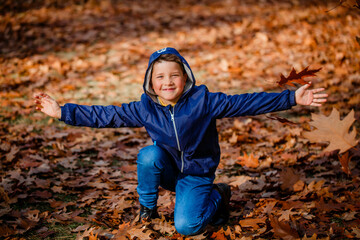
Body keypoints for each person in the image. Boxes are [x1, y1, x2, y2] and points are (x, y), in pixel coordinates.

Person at [34, 47, 328, 236]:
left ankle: (218, 196)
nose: (168, 82)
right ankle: (147, 209)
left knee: (188, 227)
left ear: (185, 78)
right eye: (160, 76)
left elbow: (244, 102)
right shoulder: (145, 107)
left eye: (175, 75)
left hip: (197, 174)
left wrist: (291, 97)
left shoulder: (204, 101)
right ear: (151, 82)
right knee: (149, 155)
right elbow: (106, 115)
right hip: (169, 169)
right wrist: (62, 111)